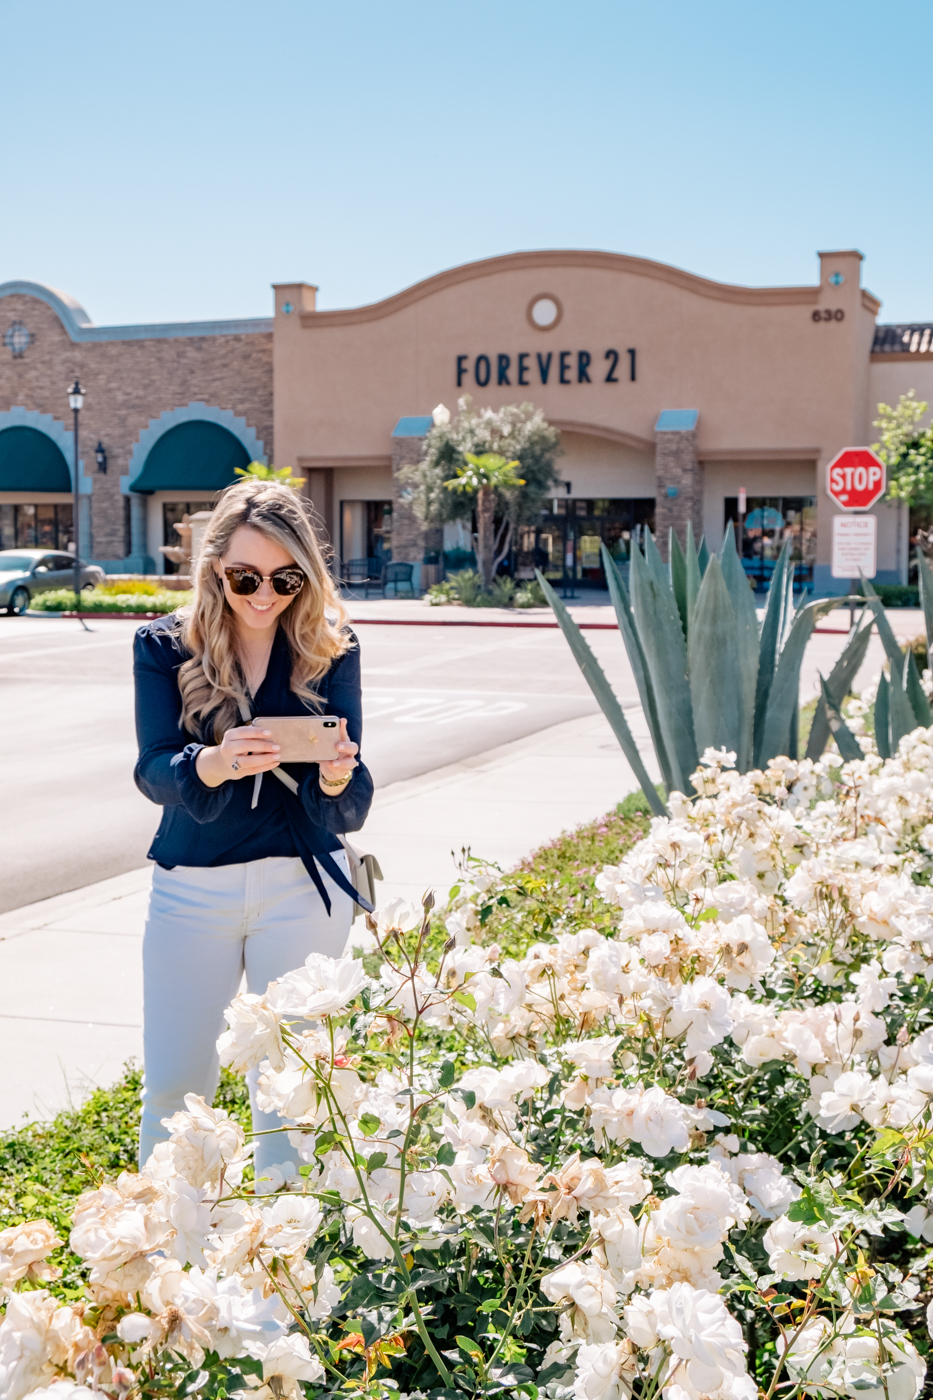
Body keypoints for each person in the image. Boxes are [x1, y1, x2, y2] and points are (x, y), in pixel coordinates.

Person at [133, 478, 372, 1181]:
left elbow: (354, 798)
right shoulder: (163, 646)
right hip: (190, 890)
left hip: (303, 887)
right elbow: (150, 770)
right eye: (244, 577)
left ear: (306, 574)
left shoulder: (332, 647)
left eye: (285, 577)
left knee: (289, 1094)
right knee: (177, 1089)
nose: (264, 594)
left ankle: (285, 1270)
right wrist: (210, 763)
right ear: (215, 570)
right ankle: (165, 1261)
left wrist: (334, 776)